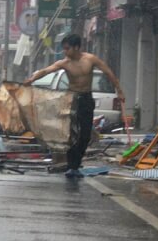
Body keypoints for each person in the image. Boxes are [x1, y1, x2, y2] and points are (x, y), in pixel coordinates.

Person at [23, 34, 125, 178]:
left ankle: (76, 163)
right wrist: (32, 79)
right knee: (71, 134)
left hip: (86, 99)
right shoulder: (64, 63)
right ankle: (72, 166)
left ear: (76, 47)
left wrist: (119, 91)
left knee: (84, 135)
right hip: (72, 99)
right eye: (64, 49)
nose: (65, 52)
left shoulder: (90, 59)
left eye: (67, 48)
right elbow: (46, 70)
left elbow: (108, 73)